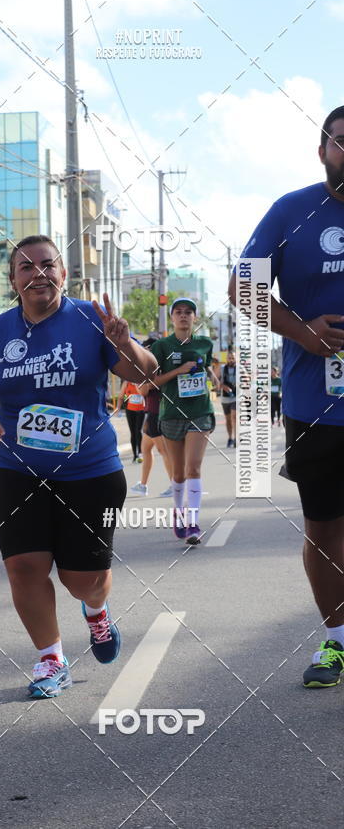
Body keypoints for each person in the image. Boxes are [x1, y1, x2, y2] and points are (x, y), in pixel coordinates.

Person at [0, 235, 156, 699]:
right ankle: (51, 658)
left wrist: (125, 344)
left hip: (91, 471)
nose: (37, 273)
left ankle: (96, 611)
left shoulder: (91, 319)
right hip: (15, 469)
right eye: (26, 267)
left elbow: (143, 373)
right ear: (13, 280)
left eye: (47, 264)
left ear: (63, 273)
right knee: (24, 567)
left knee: (83, 581)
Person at [228, 105, 344, 688]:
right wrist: (303, 333)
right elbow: (242, 287)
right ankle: (338, 641)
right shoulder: (291, 211)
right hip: (315, 405)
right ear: (322, 151)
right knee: (324, 532)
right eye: (343, 141)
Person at [149, 299, 220, 544]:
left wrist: (213, 379)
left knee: (193, 469)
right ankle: (178, 512)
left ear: (194, 318)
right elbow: (151, 383)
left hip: (200, 412)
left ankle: (193, 523)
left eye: (188, 312)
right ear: (171, 318)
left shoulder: (205, 344)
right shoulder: (161, 346)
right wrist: (178, 371)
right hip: (171, 414)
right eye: (178, 312)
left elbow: (206, 368)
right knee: (178, 474)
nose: (183, 316)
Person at [131, 338, 173, 497]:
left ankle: (175, 485)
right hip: (152, 412)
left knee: (164, 451)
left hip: (157, 412)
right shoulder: (158, 366)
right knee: (146, 449)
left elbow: (143, 391)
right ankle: (143, 485)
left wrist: (137, 378)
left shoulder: (155, 367)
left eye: (145, 349)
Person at [119, 379, 145, 462]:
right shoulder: (126, 382)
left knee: (138, 431)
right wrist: (118, 408)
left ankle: (140, 452)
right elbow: (121, 396)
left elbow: (142, 393)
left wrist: (136, 385)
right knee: (133, 432)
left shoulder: (141, 381)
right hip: (130, 410)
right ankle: (135, 455)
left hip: (140, 410)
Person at [221, 350, 237, 447]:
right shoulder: (222, 368)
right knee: (228, 420)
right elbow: (216, 381)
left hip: (236, 397)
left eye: (233, 358)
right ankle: (230, 438)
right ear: (226, 359)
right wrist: (223, 386)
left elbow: (247, 379)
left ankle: (236, 438)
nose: (231, 360)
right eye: (229, 358)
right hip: (225, 398)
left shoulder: (240, 368)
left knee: (234, 417)